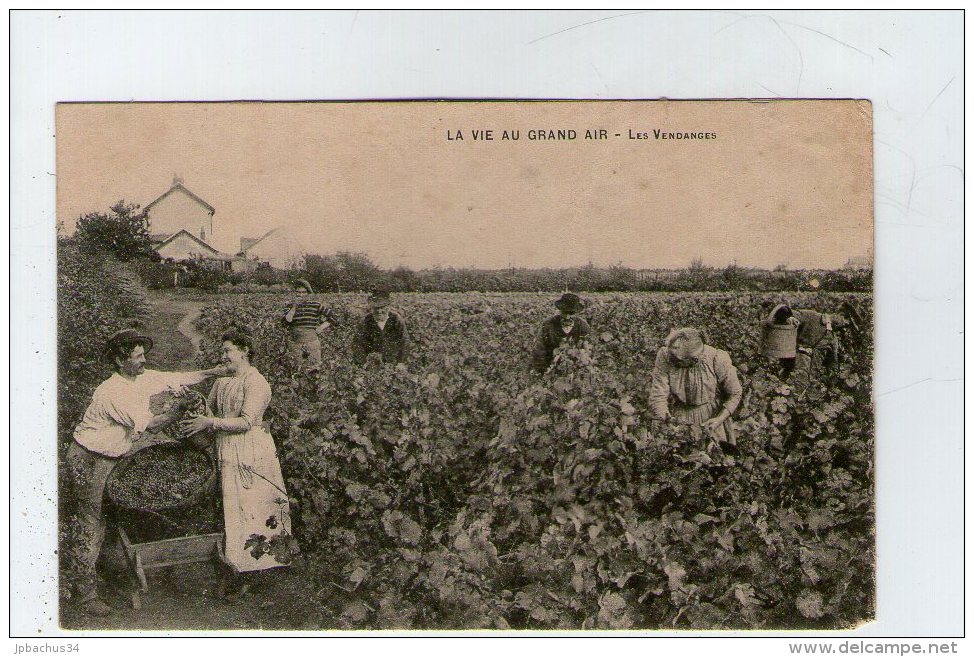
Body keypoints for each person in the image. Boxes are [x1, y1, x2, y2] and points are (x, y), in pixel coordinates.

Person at [65, 327, 228, 616]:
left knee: (112, 518)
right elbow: (151, 425)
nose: (144, 360)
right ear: (119, 360)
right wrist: (179, 410)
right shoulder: (112, 392)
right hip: (90, 459)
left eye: (143, 355)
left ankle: (106, 572)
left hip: (112, 456)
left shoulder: (140, 377)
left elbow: (177, 378)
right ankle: (84, 593)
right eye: (137, 356)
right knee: (92, 522)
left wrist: (213, 371)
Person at [181, 329, 293, 600]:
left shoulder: (256, 382)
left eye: (228, 350)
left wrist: (210, 423)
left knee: (255, 506)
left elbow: (246, 421)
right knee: (234, 507)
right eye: (223, 351)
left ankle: (261, 570)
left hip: (251, 450)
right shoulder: (224, 381)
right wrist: (194, 402)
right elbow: (213, 412)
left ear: (244, 351)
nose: (223, 356)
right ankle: (238, 566)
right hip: (228, 448)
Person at [648, 328, 743, 444]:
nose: (673, 362)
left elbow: (735, 393)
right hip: (680, 416)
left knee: (713, 455)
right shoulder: (665, 356)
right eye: (672, 357)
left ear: (694, 358)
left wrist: (719, 419)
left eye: (679, 361)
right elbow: (658, 395)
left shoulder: (716, 359)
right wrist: (666, 419)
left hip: (712, 418)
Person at [763, 303, 851, 385]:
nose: (845, 326)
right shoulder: (812, 316)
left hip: (811, 382)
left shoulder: (833, 339)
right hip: (793, 371)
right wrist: (788, 318)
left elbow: (832, 365)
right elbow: (782, 311)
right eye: (846, 322)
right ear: (841, 315)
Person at [531, 292, 591, 373]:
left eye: (571, 313)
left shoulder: (583, 326)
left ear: (577, 313)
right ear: (560, 310)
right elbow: (539, 349)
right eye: (564, 312)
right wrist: (542, 371)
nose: (567, 317)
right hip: (550, 367)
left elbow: (587, 351)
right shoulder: (548, 324)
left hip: (575, 369)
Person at [282, 279, 333, 371]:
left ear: (308, 293)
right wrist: (294, 307)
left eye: (303, 292)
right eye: (298, 292)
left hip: (311, 342)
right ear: (294, 293)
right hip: (295, 343)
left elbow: (334, 317)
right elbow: (287, 321)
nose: (301, 295)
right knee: (296, 369)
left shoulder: (315, 305)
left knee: (313, 369)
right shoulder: (289, 306)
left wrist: (321, 327)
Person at [353, 289, 409, 365]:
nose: (379, 311)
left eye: (382, 307)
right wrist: (363, 363)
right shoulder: (365, 321)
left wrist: (401, 362)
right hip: (372, 364)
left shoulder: (396, 320)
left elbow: (404, 341)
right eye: (376, 308)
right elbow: (358, 344)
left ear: (388, 307)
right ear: (372, 308)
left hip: (393, 364)